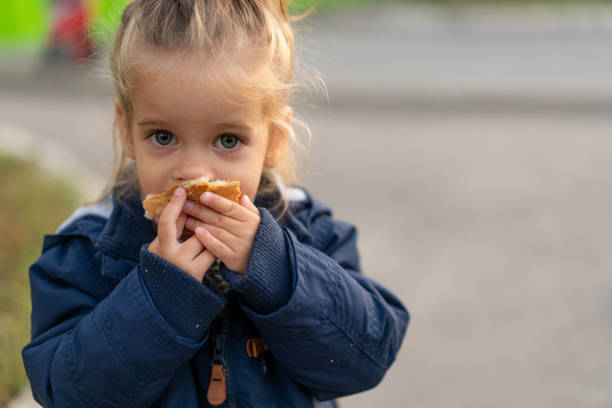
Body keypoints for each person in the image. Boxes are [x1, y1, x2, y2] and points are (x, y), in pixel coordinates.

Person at [22, 1, 409, 407]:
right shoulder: (88, 250)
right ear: (126, 130)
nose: (192, 172)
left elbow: (369, 355)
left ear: (274, 140)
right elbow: (65, 391)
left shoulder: (306, 229)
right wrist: (161, 299)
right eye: (163, 136)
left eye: (227, 140)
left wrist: (276, 269)